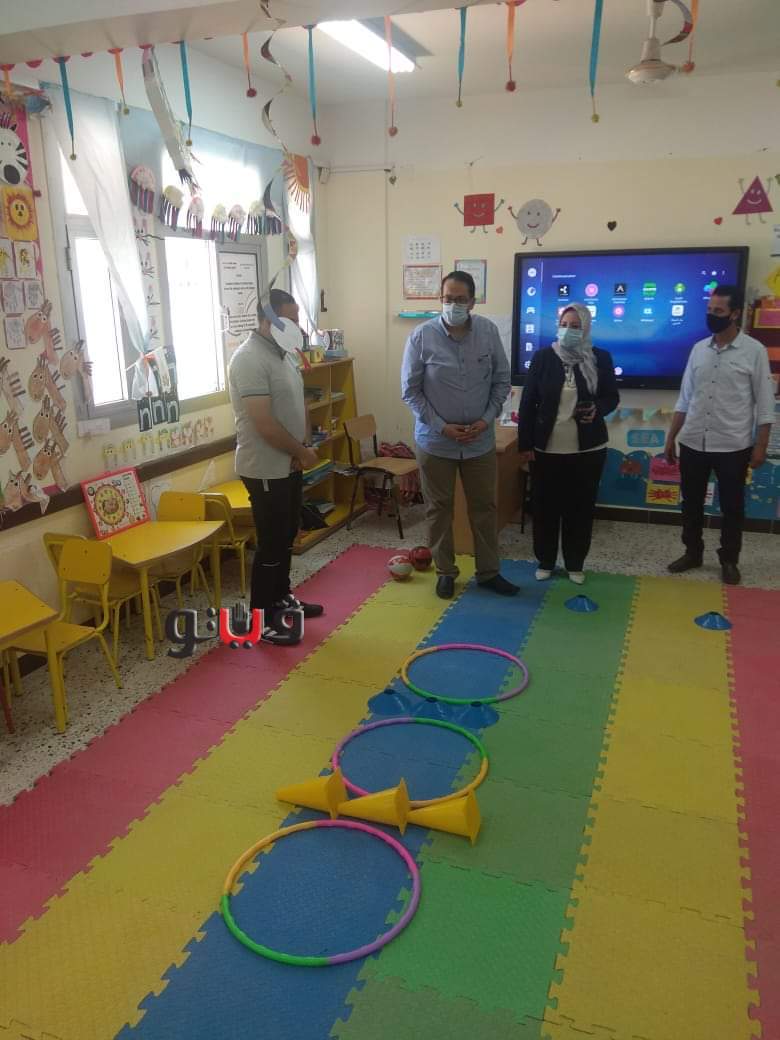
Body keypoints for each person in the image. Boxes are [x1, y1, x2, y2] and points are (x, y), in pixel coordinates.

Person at [401, 270, 518, 600]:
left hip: (479, 440)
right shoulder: (421, 336)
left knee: (485, 508)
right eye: (448, 298)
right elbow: (410, 391)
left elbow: (501, 380)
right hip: (436, 440)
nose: (453, 304)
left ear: (472, 302)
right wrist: (442, 426)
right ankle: (445, 572)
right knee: (439, 509)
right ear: (441, 299)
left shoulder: (488, 331)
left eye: (460, 299)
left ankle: (489, 572)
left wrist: (485, 420)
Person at [227, 288, 323, 642]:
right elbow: (264, 424)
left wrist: (304, 445)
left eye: (297, 320)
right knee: (270, 542)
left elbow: (299, 403)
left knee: (286, 535)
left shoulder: (283, 355)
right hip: (265, 467)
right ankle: (261, 618)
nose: (297, 327)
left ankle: (281, 598)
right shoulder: (248, 359)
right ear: (267, 320)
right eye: (290, 320)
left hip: (289, 462)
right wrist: (300, 451)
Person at [665, 284, 774, 585]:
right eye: (709, 310)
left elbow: (765, 404)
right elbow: (685, 399)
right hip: (693, 441)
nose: (711, 315)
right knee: (691, 503)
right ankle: (692, 552)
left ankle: (729, 560)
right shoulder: (698, 349)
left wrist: (761, 445)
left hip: (733, 445)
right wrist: (671, 436)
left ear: (735, 314)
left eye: (719, 311)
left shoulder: (754, 351)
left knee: (732, 507)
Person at [517, 303, 619, 584]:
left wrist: (598, 408)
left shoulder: (600, 358)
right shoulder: (543, 357)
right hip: (546, 449)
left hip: (588, 449)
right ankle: (546, 561)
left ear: (585, 329)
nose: (569, 330)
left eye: (575, 326)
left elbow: (612, 397)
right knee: (544, 509)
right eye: (564, 325)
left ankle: (575, 563)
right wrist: (525, 445)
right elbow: (528, 403)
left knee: (580, 509)